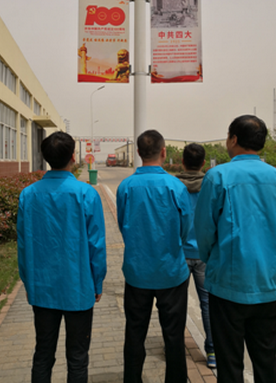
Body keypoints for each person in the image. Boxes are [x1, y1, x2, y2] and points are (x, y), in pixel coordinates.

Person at [195, 115, 276, 383]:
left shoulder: (218, 176)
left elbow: (204, 231)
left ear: (234, 139)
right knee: (266, 361)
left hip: (228, 285)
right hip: (267, 284)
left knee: (229, 364)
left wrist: (212, 260)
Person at [17, 131, 107, 383]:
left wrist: (28, 282)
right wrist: (97, 282)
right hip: (78, 287)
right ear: (73, 157)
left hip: (42, 288)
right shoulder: (86, 194)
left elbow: (22, 245)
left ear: (46, 158)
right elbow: (96, 245)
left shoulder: (28, 195)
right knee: (77, 357)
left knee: (43, 353)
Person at [116, 129, 192, 383]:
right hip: (171, 272)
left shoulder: (126, 187)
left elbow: (123, 224)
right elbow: (185, 229)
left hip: (137, 273)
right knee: (174, 336)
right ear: (163, 151)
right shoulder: (176, 186)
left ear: (138, 152)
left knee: (134, 333)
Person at [175, 143, 216, 369]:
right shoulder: (211, 186)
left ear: (182, 162)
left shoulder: (174, 186)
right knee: (208, 304)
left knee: (177, 304)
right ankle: (212, 352)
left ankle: (174, 348)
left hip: (179, 254)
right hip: (204, 254)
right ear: (203, 163)